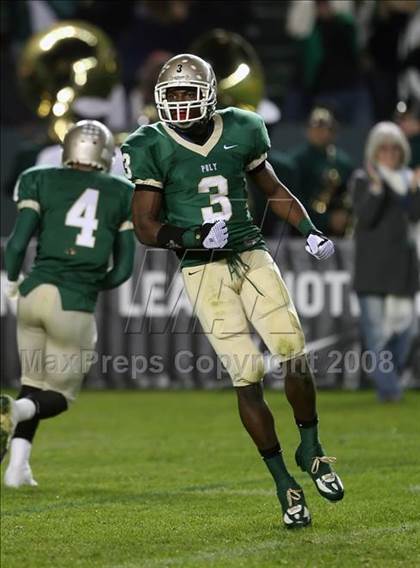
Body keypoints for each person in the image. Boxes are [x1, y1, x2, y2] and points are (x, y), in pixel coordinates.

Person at [122, 54, 344, 529]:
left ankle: (312, 447)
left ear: (210, 93)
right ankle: (283, 480)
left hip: (250, 251)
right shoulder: (149, 144)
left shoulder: (243, 127)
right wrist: (192, 238)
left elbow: (274, 188)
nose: (181, 103)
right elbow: (144, 225)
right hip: (202, 268)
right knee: (246, 375)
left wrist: (309, 228)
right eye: (173, 94)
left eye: (188, 92)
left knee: (293, 351)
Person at [0, 120, 135, 487]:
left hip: (32, 293)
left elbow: (15, 245)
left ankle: (18, 469)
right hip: (72, 301)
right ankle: (14, 411)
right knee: (57, 395)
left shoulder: (39, 178)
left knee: (33, 382)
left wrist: (13, 281)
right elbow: (123, 269)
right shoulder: (122, 191)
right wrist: (91, 285)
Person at [352, 121, 420, 401]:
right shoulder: (362, 179)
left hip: (402, 267)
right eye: (383, 148)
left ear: (402, 150)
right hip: (372, 269)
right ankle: (390, 391)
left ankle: (386, 375)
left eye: (394, 147)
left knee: (408, 332)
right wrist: (378, 188)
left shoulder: (408, 179)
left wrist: (415, 190)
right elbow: (365, 217)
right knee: (376, 335)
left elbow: (415, 215)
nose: (389, 152)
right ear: (374, 151)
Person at [289, 107, 354, 236]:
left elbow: (350, 197)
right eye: (315, 126)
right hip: (302, 232)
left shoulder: (343, 163)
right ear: (307, 129)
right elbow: (292, 201)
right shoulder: (295, 161)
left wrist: (344, 217)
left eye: (325, 127)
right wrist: (326, 220)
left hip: (337, 232)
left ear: (334, 131)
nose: (319, 131)